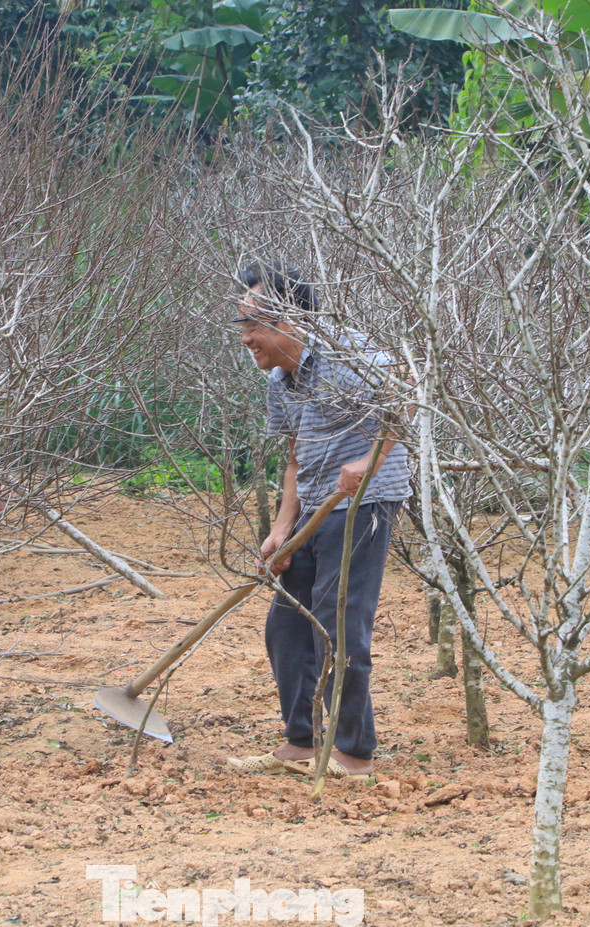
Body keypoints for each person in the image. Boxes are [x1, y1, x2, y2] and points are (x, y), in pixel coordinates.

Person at [228, 261, 410, 778]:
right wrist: (281, 529)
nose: (245, 339)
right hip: (312, 506)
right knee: (286, 624)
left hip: (363, 507)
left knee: (339, 623)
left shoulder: (345, 355)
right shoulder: (280, 383)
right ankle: (301, 740)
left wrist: (369, 461)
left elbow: (405, 391)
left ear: (288, 318)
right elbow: (294, 457)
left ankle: (353, 752)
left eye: (251, 325)